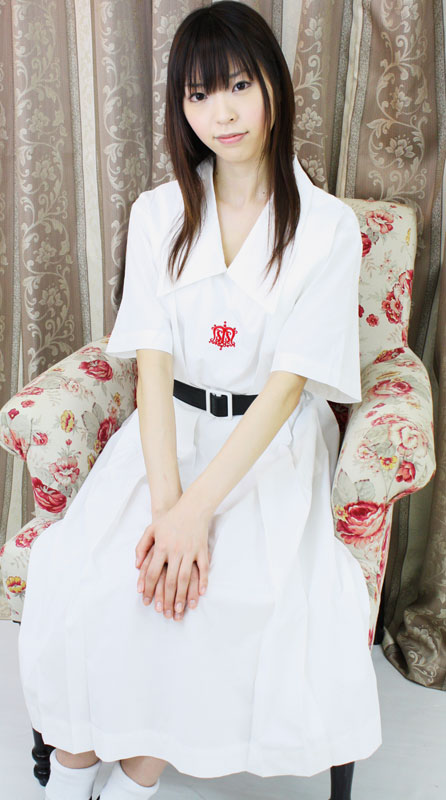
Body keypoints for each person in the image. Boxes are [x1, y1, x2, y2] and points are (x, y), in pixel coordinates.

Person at [17, 2, 382, 799]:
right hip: (165, 431)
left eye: (240, 85)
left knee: (211, 592)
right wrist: (169, 508)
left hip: (268, 444)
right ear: (181, 108)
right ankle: (74, 761)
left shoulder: (326, 228)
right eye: (199, 94)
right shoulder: (158, 214)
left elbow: (286, 390)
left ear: (274, 87)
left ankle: (139, 773)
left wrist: (197, 514)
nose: (222, 112)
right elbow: (152, 369)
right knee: (93, 573)